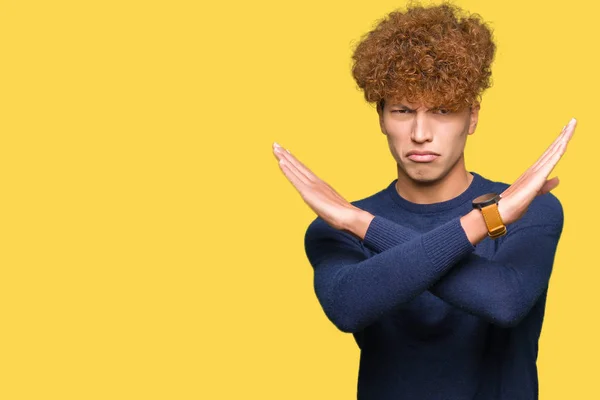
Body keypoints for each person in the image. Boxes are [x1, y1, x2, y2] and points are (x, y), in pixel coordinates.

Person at [272, 2, 576, 399]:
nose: (420, 133)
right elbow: (348, 307)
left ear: (472, 117)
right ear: (381, 117)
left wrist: (363, 225)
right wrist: (484, 222)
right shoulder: (334, 227)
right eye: (402, 110)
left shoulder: (530, 207)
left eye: (443, 110)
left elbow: (504, 300)